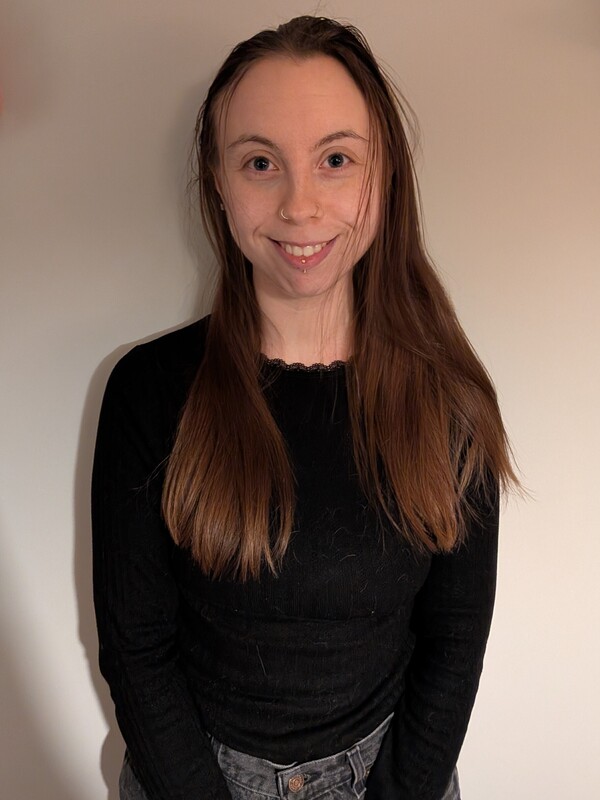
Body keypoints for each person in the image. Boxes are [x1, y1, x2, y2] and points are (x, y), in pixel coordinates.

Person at [92, 15, 516, 800]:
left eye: (335, 160)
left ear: (384, 176)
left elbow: (455, 643)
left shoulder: (450, 400)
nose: (300, 205)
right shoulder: (147, 391)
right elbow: (137, 650)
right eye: (261, 163)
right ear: (219, 183)